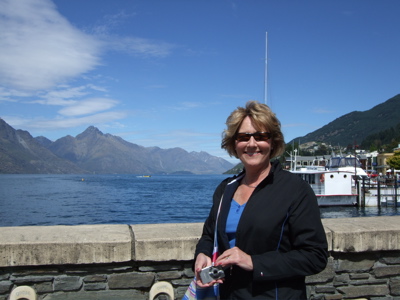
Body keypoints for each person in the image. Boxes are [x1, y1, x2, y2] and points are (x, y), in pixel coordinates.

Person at [194, 100, 328, 299]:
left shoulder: (295, 190)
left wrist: (254, 262)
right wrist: (202, 254)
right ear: (234, 143)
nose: (251, 144)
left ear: (272, 142)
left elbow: (315, 256)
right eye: (243, 137)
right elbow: (208, 235)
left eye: (260, 136)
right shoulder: (226, 189)